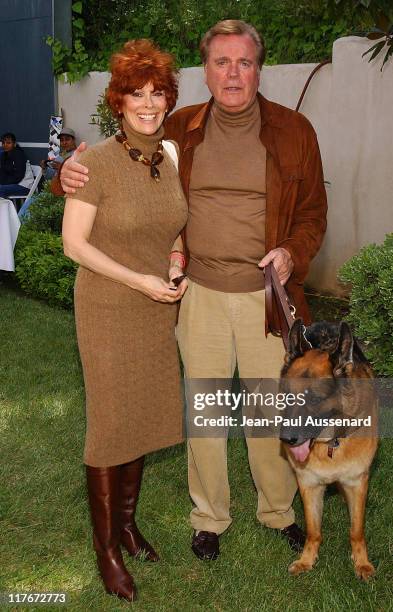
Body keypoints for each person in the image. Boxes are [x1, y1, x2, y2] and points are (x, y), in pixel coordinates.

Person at [56, 20, 327, 563]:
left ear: (258, 68)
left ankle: (278, 511)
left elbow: (314, 214)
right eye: (222, 62)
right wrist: (71, 170)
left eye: (244, 62)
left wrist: (292, 252)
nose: (233, 73)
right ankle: (209, 516)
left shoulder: (295, 131)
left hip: (266, 295)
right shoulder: (180, 128)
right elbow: (125, 155)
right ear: (206, 71)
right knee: (205, 412)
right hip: (197, 293)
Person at [61, 39, 188, 601]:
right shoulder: (94, 164)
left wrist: (177, 257)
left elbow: (175, 222)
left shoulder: (172, 155)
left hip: (157, 309)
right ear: (118, 101)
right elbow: (73, 244)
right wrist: (138, 280)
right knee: (112, 424)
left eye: (157, 92)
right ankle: (106, 550)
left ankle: (129, 524)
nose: (148, 103)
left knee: (143, 415)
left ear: (168, 99)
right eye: (136, 93)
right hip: (110, 308)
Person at [0, 133, 33, 198]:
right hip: (10, 184)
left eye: (8, 143)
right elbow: (3, 172)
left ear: (14, 144)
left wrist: (4, 184)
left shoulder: (19, 155)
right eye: (3, 143)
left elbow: (18, 176)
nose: (5, 145)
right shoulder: (3, 155)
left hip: (24, 185)